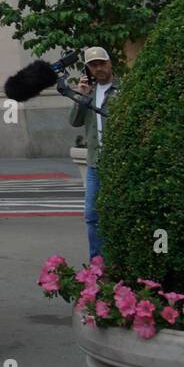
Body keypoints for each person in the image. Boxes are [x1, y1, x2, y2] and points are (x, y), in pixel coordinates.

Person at [69, 46, 118, 262]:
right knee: (92, 215)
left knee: (118, 213)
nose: (98, 68)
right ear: (88, 68)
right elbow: (74, 121)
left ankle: (119, 260)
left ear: (109, 62)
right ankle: (98, 263)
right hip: (95, 163)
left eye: (101, 63)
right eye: (93, 65)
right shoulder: (89, 92)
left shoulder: (123, 88)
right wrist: (81, 96)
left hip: (118, 162)